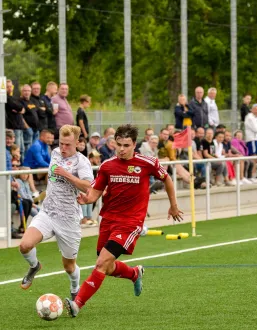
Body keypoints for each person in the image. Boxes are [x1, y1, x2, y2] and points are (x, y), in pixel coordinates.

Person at [64, 124, 183, 317]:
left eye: (126, 145)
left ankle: (77, 304)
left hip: (130, 223)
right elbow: (96, 191)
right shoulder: (107, 166)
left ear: (134, 144)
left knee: (101, 263)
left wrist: (173, 205)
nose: (121, 149)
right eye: (118, 144)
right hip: (108, 220)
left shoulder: (148, 162)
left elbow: (167, 179)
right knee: (107, 267)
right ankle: (134, 273)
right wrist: (87, 199)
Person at [18, 125, 94, 300]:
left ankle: (75, 288)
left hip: (68, 218)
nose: (64, 148)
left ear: (77, 143)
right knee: (25, 245)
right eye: (61, 143)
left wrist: (67, 175)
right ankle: (34, 266)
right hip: (48, 212)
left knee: (69, 266)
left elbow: (87, 186)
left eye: (68, 144)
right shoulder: (55, 153)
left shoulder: (82, 162)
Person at [20, 84, 40, 152]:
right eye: (25, 91)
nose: (27, 92)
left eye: (28, 91)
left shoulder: (32, 101)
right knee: (28, 149)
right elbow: (20, 117)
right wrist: (27, 127)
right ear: (21, 92)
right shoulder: (20, 101)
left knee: (35, 149)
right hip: (27, 130)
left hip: (36, 129)